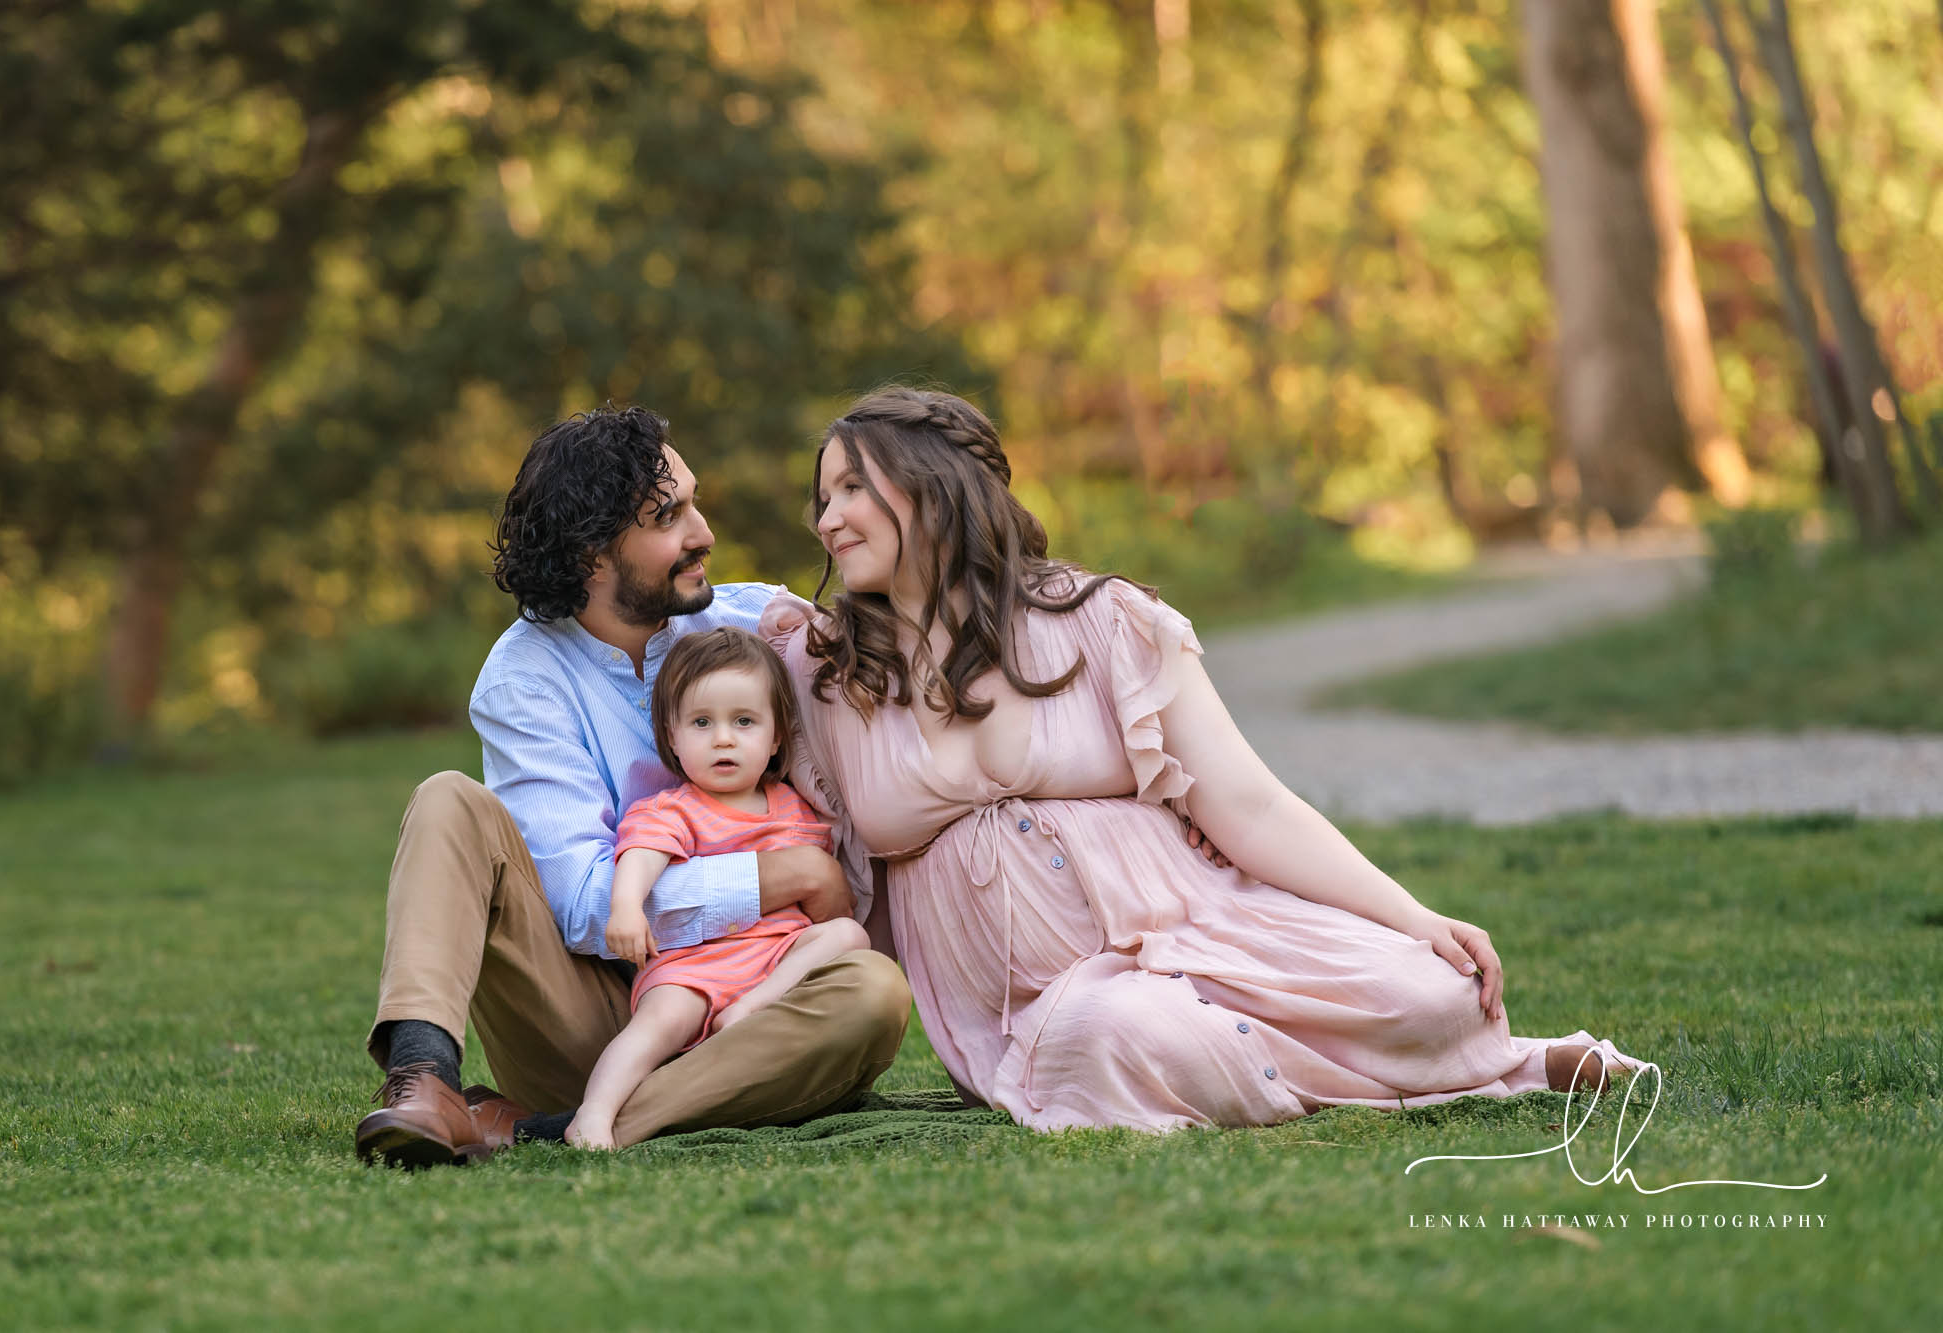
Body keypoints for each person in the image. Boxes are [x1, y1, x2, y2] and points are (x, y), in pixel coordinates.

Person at [760, 386, 1646, 1133]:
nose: (825, 519)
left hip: (1202, 922)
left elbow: (1249, 805)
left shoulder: (1101, 621)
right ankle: (1460, 1077)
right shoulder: (824, 670)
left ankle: (1499, 1058)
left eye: (849, 489)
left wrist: (1415, 915)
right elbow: (690, 632)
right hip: (1041, 1002)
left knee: (1431, 988)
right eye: (822, 497)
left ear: (932, 487)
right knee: (1128, 1033)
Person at [355, 403, 909, 1168]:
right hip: (596, 1017)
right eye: (669, 515)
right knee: (449, 798)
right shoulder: (525, 679)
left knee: (872, 993)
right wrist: (782, 874)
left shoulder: (749, 622)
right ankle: (423, 1077)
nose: (703, 531)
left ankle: (533, 1130)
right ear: (592, 555)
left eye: (693, 501)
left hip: (759, 1004)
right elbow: (586, 905)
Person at [566, 628, 872, 1150]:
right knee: (661, 1021)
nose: (723, 738)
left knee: (848, 935)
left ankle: (750, 1009)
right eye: (702, 723)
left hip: (775, 958)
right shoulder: (676, 808)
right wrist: (625, 908)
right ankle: (593, 1113)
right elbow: (640, 854)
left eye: (744, 722)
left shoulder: (796, 808)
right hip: (695, 964)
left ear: (776, 738)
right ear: (673, 736)